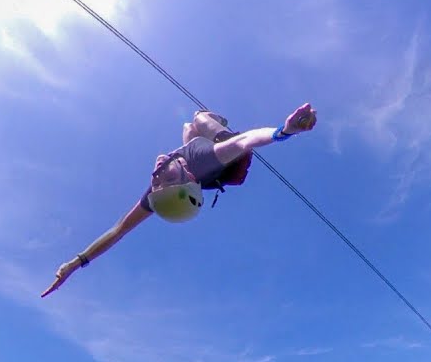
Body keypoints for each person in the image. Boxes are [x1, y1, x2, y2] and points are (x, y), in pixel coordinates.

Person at [40, 102, 318, 297]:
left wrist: (74, 264)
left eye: (155, 182)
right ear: (186, 176)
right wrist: (284, 131)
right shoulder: (200, 161)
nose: (156, 176)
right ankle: (216, 124)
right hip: (231, 159)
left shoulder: (159, 193)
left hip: (199, 163)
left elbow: (118, 230)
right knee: (198, 119)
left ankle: (203, 127)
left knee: (187, 129)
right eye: (165, 179)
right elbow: (247, 141)